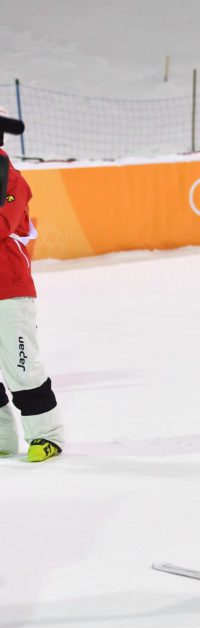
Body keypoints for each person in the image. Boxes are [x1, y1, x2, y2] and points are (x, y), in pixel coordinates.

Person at [0, 107, 65, 462]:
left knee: (21, 365)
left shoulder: (11, 179)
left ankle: (46, 434)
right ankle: (2, 438)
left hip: (8, 288)